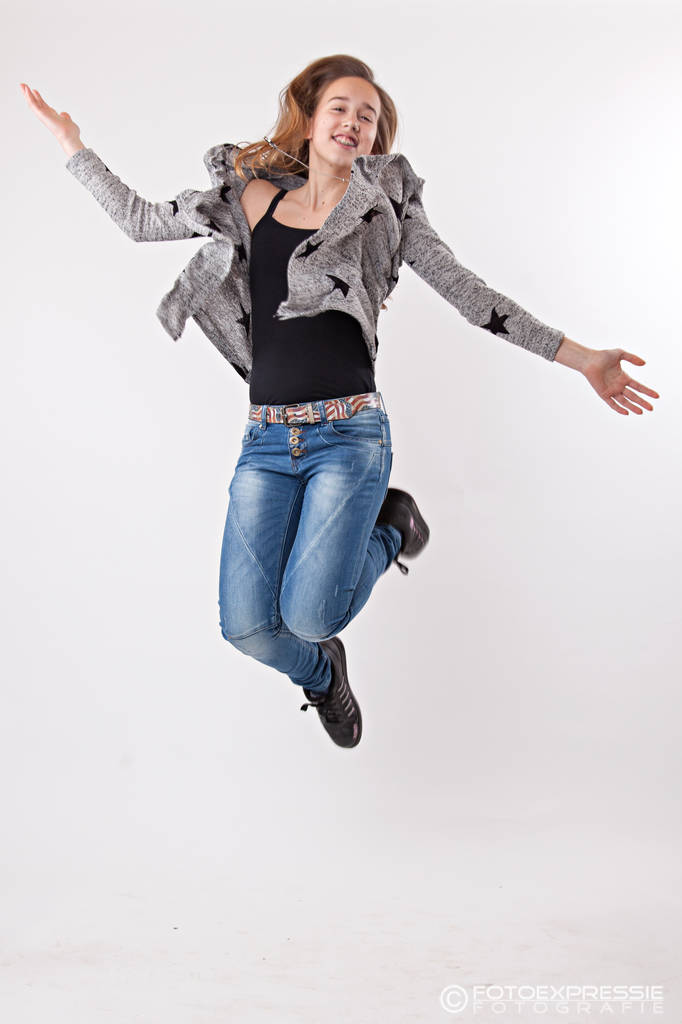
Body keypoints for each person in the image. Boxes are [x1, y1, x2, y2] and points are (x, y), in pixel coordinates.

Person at [20, 55, 659, 751]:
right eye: (340, 108)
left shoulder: (383, 207)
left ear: (376, 135)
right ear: (309, 118)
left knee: (310, 616)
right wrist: (71, 144)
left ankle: (391, 532)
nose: (354, 122)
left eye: (368, 116)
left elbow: (469, 294)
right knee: (248, 628)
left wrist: (580, 357)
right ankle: (323, 675)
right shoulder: (248, 197)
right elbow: (141, 221)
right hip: (266, 441)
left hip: (350, 437)